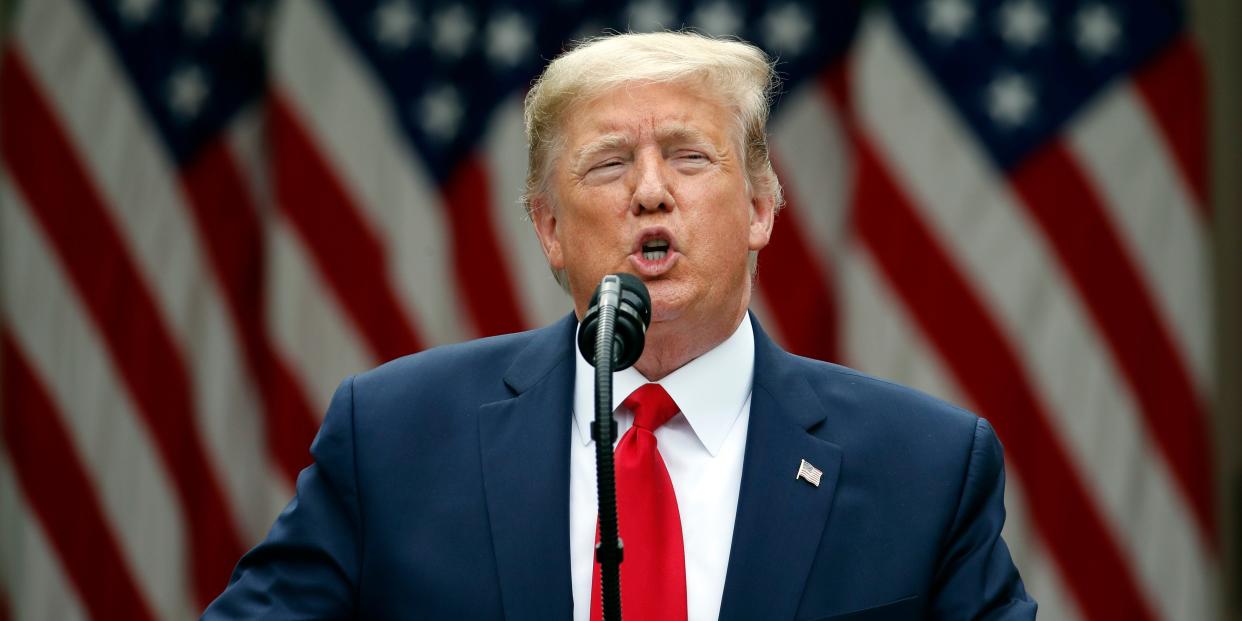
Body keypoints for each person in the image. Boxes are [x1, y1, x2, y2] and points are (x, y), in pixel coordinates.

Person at [202, 32, 1036, 620]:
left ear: (759, 206)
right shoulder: (393, 438)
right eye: (608, 163)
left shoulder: (923, 468)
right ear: (548, 229)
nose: (649, 192)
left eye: (688, 155)